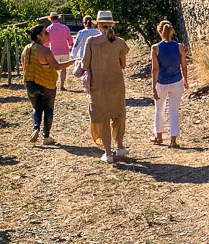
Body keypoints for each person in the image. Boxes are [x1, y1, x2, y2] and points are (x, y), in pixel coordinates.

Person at [82, 10, 130, 164]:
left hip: (99, 85)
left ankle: (108, 153)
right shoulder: (120, 41)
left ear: (98, 25)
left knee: (102, 116)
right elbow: (123, 65)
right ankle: (120, 146)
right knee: (118, 114)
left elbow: (85, 65)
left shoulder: (91, 41)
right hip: (116, 83)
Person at [21, 24, 73, 145]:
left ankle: (35, 128)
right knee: (48, 109)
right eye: (46, 33)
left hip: (30, 83)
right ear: (39, 36)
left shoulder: (26, 49)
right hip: (46, 83)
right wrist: (73, 61)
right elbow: (57, 66)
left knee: (36, 107)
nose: (48, 34)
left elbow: (24, 66)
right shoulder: (45, 51)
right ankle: (46, 136)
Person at [150, 20, 189, 147]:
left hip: (161, 82)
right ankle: (173, 141)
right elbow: (184, 66)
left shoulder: (155, 48)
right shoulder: (179, 47)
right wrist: (185, 80)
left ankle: (159, 136)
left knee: (159, 109)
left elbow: (155, 69)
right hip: (177, 82)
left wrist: (153, 87)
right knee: (174, 112)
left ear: (159, 31)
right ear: (171, 31)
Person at [45, 13, 74, 90]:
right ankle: (62, 85)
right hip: (64, 50)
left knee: (53, 70)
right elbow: (70, 40)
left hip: (54, 52)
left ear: (51, 19)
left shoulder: (49, 29)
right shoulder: (65, 27)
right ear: (58, 18)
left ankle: (53, 85)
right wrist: (70, 47)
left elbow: (47, 43)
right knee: (63, 69)